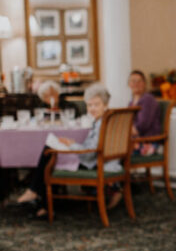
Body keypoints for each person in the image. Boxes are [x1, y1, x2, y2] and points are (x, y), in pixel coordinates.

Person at [16, 82, 122, 217]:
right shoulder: (106, 120)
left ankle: (36, 195)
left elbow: (91, 153)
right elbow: (94, 147)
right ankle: (42, 204)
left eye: (97, 104)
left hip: (95, 164)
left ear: (105, 105)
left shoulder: (101, 123)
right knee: (51, 153)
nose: (92, 108)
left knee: (49, 154)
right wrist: (71, 143)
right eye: (89, 105)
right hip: (103, 161)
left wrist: (72, 145)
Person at [127, 70, 161, 156]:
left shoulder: (148, 99)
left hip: (147, 142)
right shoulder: (131, 102)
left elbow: (141, 126)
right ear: (129, 84)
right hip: (135, 140)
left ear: (144, 84)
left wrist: (125, 130)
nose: (136, 84)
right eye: (133, 81)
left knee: (115, 151)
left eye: (139, 81)